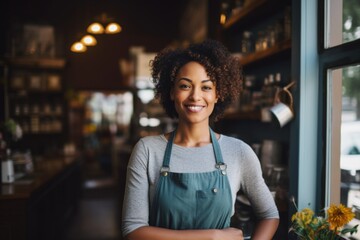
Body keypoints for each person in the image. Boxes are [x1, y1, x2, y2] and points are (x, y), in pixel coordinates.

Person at [121, 39, 279, 240]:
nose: (195, 96)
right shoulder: (147, 150)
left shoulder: (238, 151)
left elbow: (269, 215)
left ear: (218, 94)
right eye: (185, 86)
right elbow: (133, 230)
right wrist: (212, 236)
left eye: (206, 87)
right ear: (171, 92)